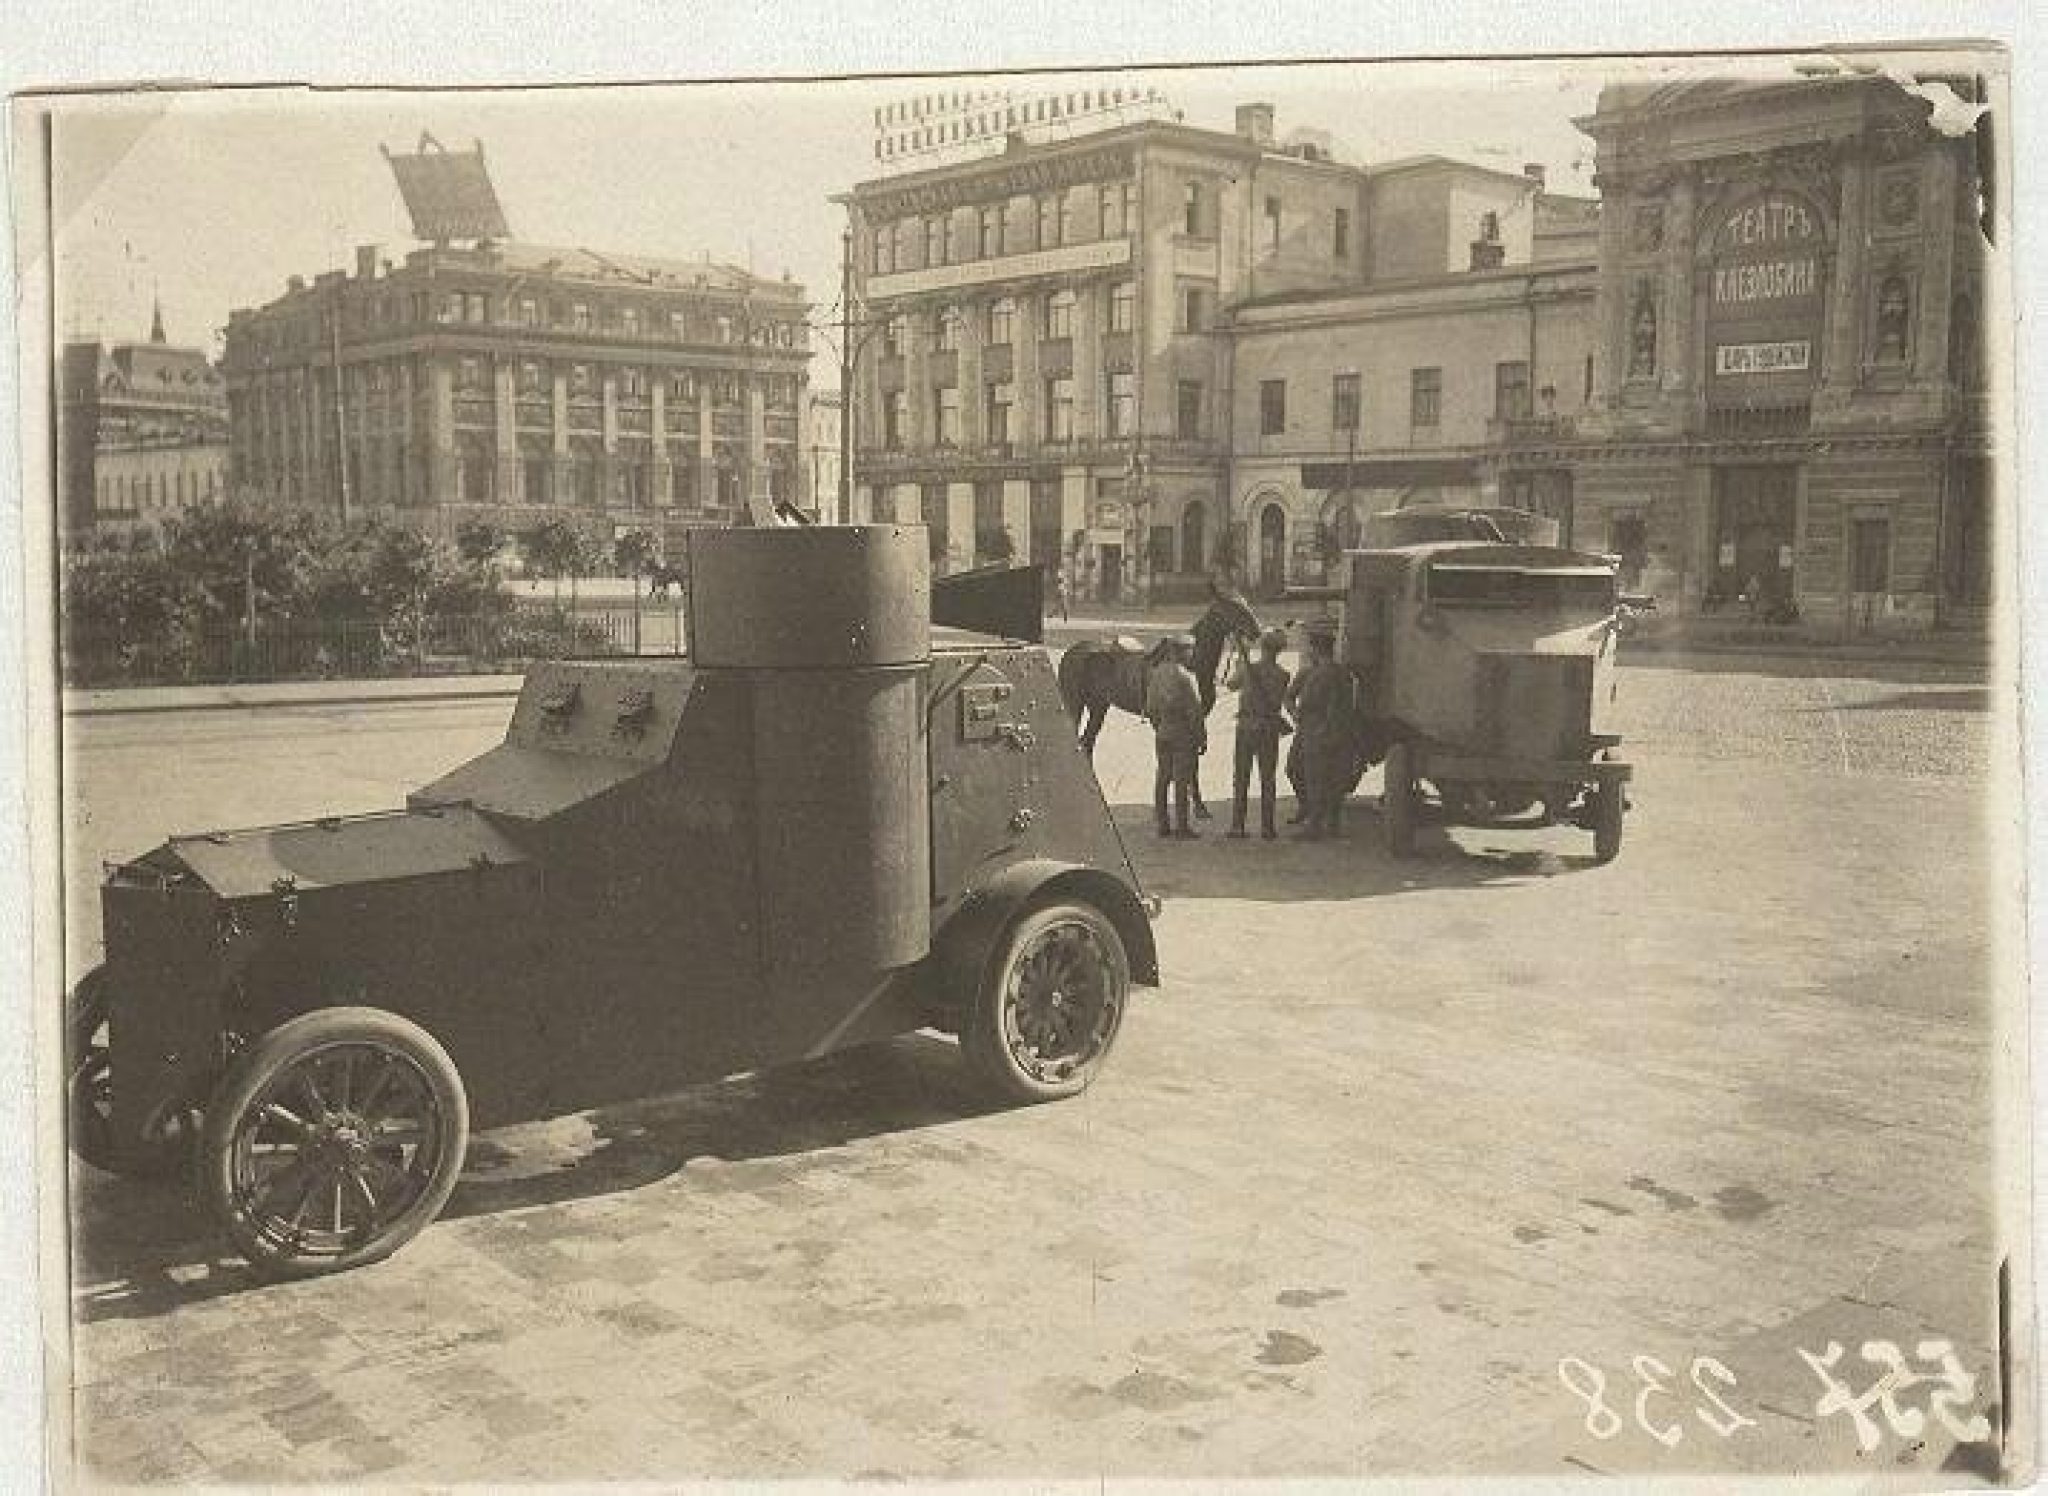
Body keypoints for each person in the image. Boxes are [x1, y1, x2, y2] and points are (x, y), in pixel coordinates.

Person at [1228, 628, 1292, 840]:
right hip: (1268, 727)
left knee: (1242, 777)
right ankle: (1267, 827)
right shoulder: (1283, 675)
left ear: (1262, 647)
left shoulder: (1249, 669)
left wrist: (1240, 658)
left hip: (1247, 726)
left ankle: (1238, 825)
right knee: (1267, 778)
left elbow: (1231, 684)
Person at [1292, 623, 1354, 840]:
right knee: (1335, 779)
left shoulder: (1319, 675)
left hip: (1317, 731)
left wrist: (1305, 719)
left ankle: (1314, 826)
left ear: (1316, 649)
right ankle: (1333, 824)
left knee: (1315, 778)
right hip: (1339, 731)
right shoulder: (1343, 673)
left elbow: (1314, 703)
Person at [1145, 634, 1205, 839]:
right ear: (1182, 652)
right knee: (1181, 780)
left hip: (1163, 731)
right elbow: (1196, 712)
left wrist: (1160, 725)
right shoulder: (1187, 678)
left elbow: (1150, 708)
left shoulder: (1156, 674)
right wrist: (1201, 737)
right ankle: (1182, 827)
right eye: (1190, 650)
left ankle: (1162, 824)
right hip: (1183, 733)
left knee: (1162, 778)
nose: (1192, 654)